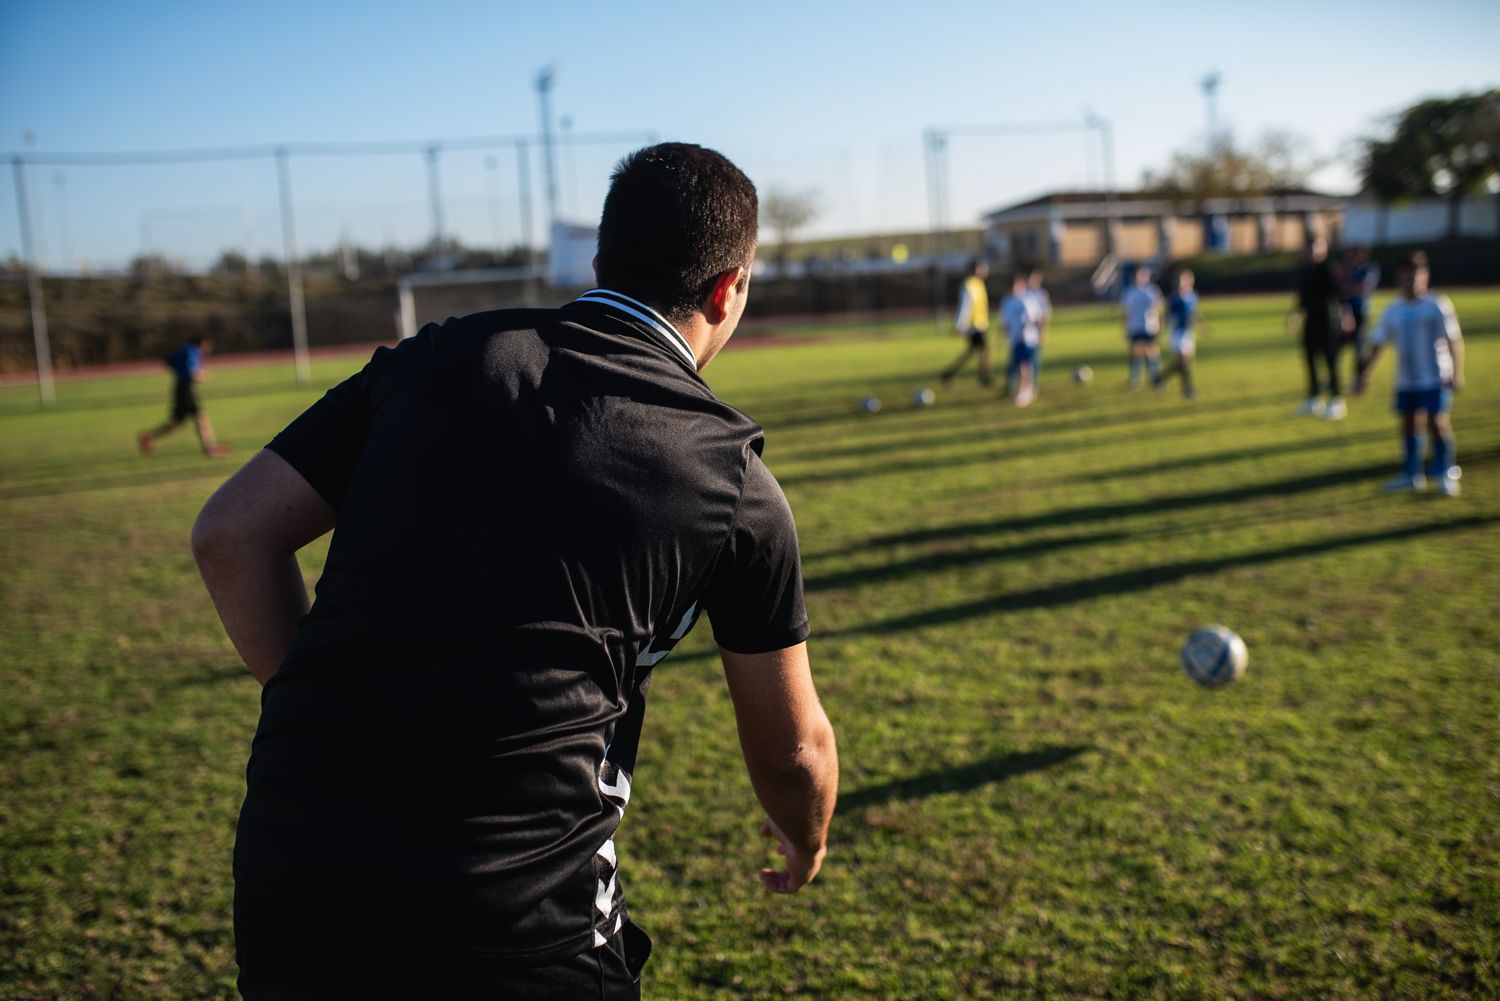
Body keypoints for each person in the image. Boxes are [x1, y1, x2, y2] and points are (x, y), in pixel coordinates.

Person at [191, 143, 839, 999]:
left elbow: (232, 533)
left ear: (601, 262)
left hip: (293, 872)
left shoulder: (435, 358)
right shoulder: (735, 481)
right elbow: (795, 748)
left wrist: (329, 706)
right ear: (731, 290)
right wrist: (806, 835)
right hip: (517, 918)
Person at [1354, 251, 1465, 495]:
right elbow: (1378, 345)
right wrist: (1363, 376)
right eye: (1406, 277)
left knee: (1437, 422)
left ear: (1425, 277)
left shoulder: (1436, 304)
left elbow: (1454, 340)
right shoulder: (1394, 309)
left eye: (1415, 276)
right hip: (1406, 379)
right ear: (1399, 279)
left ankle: (1446, 472)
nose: (1411, 281)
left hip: (1435, 377)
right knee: (1408, 425)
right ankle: (1412, 475)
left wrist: (1457, 372)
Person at [1287, 236, 1352, 420]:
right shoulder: (1305, 270)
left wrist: (1345, 316)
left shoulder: (1329, 269)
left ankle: (1337, 401)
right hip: (1311, 322)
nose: (1312, 251)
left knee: (1331, 362)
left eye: (1316, 247)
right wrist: (1295, 315)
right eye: (1309, 247)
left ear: (1323, 248)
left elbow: (1341, 294)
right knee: (1310, 361)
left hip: (1329, 322)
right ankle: (1313, 400)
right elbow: (1302, 297)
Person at [138, 335, 230, 457]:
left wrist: (180, 371)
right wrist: (203, 376)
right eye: (208, 345)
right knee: (201, 417)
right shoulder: (192, 351)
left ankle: (148, 436)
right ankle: (210, 449)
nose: (209, 348)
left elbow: (169, 360)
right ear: (202, 343)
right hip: (185, 389)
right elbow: (192, 372)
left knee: (176, 423)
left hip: (181, 388)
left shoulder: (185, 350)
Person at [940, 257, 993, 388]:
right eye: (982, 268)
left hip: (981, 324)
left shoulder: (978, 283)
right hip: (973, 326)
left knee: (973, 352)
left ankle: (949, 374)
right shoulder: (969, 285)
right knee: (984, 350)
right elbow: (965, 306)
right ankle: (984, 378)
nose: (985, 270)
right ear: (975, 269)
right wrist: (961, 325)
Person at [1156, 268, 1204, 399]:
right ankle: (1188, 389)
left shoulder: (1193, 296)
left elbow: (1192, 313)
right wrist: (1161, 329)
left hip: (1188, 333)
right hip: (1177, 333)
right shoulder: (1174, 298)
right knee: (1183, 362)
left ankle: (1160, 377)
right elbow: (1166, 315)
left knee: (1183, 363)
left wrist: (1202, 324)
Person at [1007, 264, 1052, 395]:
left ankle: (1030, 387)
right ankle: (1015, 387)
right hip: (1018, 336)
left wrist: (1042, 332)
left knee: (1029, 363)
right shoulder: (1019, 296)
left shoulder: (1036, 296)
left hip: (1029, 336)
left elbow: (1042, 316)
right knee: (1018, 363)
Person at [1001, 269, 1043, 407]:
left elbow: (1036, 318)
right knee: (1019, 365)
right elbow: (1006, 322)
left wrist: (1034, 331)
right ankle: (1026, 390)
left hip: (1027, 338)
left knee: (1025, 365)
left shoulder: (1027, 300)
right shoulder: (1007, 302)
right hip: (1015, 339)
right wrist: (1004, 334)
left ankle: (1025, 391)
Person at [1340, 244, 1380, 387]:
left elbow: (1363, 287)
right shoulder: (1346, 270)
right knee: (1338, 347)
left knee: (1359, 348)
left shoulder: (1367, 269)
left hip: (1361, 313)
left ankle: (1359, 378)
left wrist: (1349, 287)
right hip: (1346, 314)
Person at [1121, 263, 1162, 389]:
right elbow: (1126, 312)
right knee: (1135, 353)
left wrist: (1159, 324)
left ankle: (1155, 379)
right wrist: (1125, 327)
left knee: (1152, 353)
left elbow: (1159, 307)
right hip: (1135, 327)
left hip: (1149, 327)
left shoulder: (1151, 291)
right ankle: (1135, 380)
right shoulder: (1129, 292)